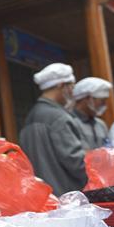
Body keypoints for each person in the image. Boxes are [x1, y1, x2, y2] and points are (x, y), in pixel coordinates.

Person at [19, 63, 87, 195]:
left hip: (40, 195)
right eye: (72, 86)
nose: (73, 92)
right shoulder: (59, 117)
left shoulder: (31, 116)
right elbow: (77, 164)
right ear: (62, 85)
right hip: (65, 197)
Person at [71, 77, 112, 149]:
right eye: (102, 101)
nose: (104, 104)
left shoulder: (101, 125)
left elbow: (108, 149)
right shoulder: (71, 123)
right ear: (87, 99)